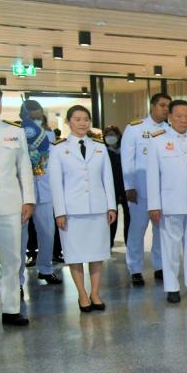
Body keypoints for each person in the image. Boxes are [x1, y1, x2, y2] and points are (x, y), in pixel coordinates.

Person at [48, 105, 117, 313]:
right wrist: (60, 212)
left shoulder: (99, 147)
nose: (82, 123)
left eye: (86, 119)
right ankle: (82, 294)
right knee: (75, 255)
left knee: (97, 253)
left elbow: (107, 179)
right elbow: (56, 183)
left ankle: (95, 293)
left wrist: (111, 206)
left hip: (98, 208)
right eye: (77, 119)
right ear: (68, 122)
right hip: (72, 212)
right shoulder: (58, 148)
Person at [146, 100, 187, 303]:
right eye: (179, 116)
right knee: (170, 248)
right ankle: (171, 287)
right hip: (170, 203)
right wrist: (154, 205)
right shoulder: (157, 141)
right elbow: (152, 176)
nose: (183, 120)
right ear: (170, 117)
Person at [0, 84, 34, 329]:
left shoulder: (15, 132)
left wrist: (29, 200)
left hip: (11, 205)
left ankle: (12, 309)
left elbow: (24, 168)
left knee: (12, 259)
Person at [121, 93, 171, 286]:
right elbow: (127, 159)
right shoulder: (135, 128)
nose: (166, 109)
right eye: (162, 105)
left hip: (163, 190)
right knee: (137, 229)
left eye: (168, 106)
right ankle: (135, 269)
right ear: (152, 106)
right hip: (140, 190)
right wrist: (129, 186)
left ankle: (160, 266)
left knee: (161, 231)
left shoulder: (169, 130)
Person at [19, 100, 62, 286]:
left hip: (44, 188)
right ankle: (18, 278)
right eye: (32, 114)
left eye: (38, 113)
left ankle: (45, 269)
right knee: (21, 236)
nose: (36, 117)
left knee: (48, 232)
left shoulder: (50, 134)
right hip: (22, 191)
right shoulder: (17, 131)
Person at [103, 125, 130, 248]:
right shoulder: (103, 151)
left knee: (128, 216)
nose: (110, 137)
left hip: (126, 187)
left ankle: (129, 242)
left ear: (119, 136)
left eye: (112, 135)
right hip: (111, 188)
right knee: (111, 216)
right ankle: (108, 243)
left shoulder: (125, 150)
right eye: (107, 135)